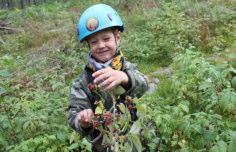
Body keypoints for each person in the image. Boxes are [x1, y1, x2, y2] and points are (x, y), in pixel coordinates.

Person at [68, 3, 148, 152]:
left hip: (133, 141)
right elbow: (73, 115)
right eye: (94, 42)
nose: (101, 45)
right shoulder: (83, 81)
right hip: (103, 145)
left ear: (117, 38)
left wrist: (124, 77)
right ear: (88, 45)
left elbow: (144, 86)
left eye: (106, 39)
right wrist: (83, 120)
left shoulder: (127, 68)